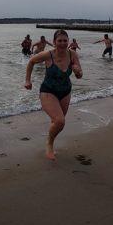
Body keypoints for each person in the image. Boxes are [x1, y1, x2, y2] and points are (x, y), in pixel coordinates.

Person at [25, 29, 83, 160]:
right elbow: (31, 61)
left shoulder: (72, 54)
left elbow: (79, 75)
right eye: (59, 41)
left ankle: (51, 140)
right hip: (48, 91)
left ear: (68, 41)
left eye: (65, 41)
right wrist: (28, 80)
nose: (62, 43)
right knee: (60, 121)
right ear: (54, 42)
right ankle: (49, 144)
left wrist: (78, 71)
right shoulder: (48, 54)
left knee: (57, 122)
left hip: (65, 91)